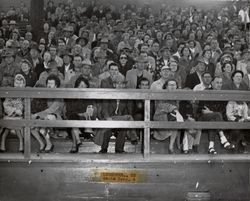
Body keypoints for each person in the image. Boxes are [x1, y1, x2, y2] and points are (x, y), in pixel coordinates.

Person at [99, 74, 137, 153]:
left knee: (124, 124)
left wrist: (129, 100)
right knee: (127, 118)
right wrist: (107, 118)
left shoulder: (126, 96)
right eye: (118, 83)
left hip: (120, 119)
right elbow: (104, 109)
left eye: (122, 84)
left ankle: (119, 149)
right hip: (109, 118)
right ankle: (104, 149)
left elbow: (129, 111)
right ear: (114, 84)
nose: (120, 85)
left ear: (124, 85)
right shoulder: (108, 94)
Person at [197, 76, 235, 154]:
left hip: (215, 118)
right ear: (212, 83)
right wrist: (211, 112)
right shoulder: (206, 91)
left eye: (221, 83)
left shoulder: (223, 94)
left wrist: (211, 112)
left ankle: (211, 147)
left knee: (213, 120)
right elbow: (202, 109)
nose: (219, 85)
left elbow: (222, 110)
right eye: (217, 82)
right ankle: (223, 140)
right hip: (203, 117)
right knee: (216, 115)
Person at [31, 75, 65, 153]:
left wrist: (36, 115)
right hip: (44, 115)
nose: (49, 85)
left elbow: (51, 110)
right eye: (48, 83)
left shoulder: (59, 96)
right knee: (31, 124)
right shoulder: (46, 94)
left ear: (56, 86)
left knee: (45, 119)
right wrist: (35, 115)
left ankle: (49, 144)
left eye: (51, 84)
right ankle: (42, 143)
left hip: (57, 117)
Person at [65, 77, 98, 153]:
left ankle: (75, 144)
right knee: (73, 118)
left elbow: (91, 110)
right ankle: (77, 141)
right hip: (73, 120)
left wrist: (85, 114)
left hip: (85, 123)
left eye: (84, 86)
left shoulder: (89, 97)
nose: (82, 88)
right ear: (76, 87)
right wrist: (81, 114)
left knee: (73, 121)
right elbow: (69, 111)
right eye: (81, 86)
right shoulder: (71, 97)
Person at [153, 79, 183, 154]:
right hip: (161, 117)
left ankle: (173, 146)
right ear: (166, 86)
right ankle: (171, 147)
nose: (172, 86)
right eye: (170, 85)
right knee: (175, 119)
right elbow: (162, 106)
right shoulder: (161, 95)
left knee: (179, 120)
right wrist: (175, 110)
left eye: (174, 85)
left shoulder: (178, 96)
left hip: (175, 117)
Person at [0, 74, 26, 152]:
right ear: (14, 83)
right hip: (10, 114)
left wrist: (19, 111)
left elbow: (24, 105)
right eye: (16, 83)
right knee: (6, 123)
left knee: (16, 125)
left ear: (23, 84)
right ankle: (2, 145)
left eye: (20, 83)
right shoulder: (10, 92)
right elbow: (6, 104)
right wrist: (14, 110)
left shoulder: (25, 93)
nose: (18, 85)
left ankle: (21, 144)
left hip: (19, 116)